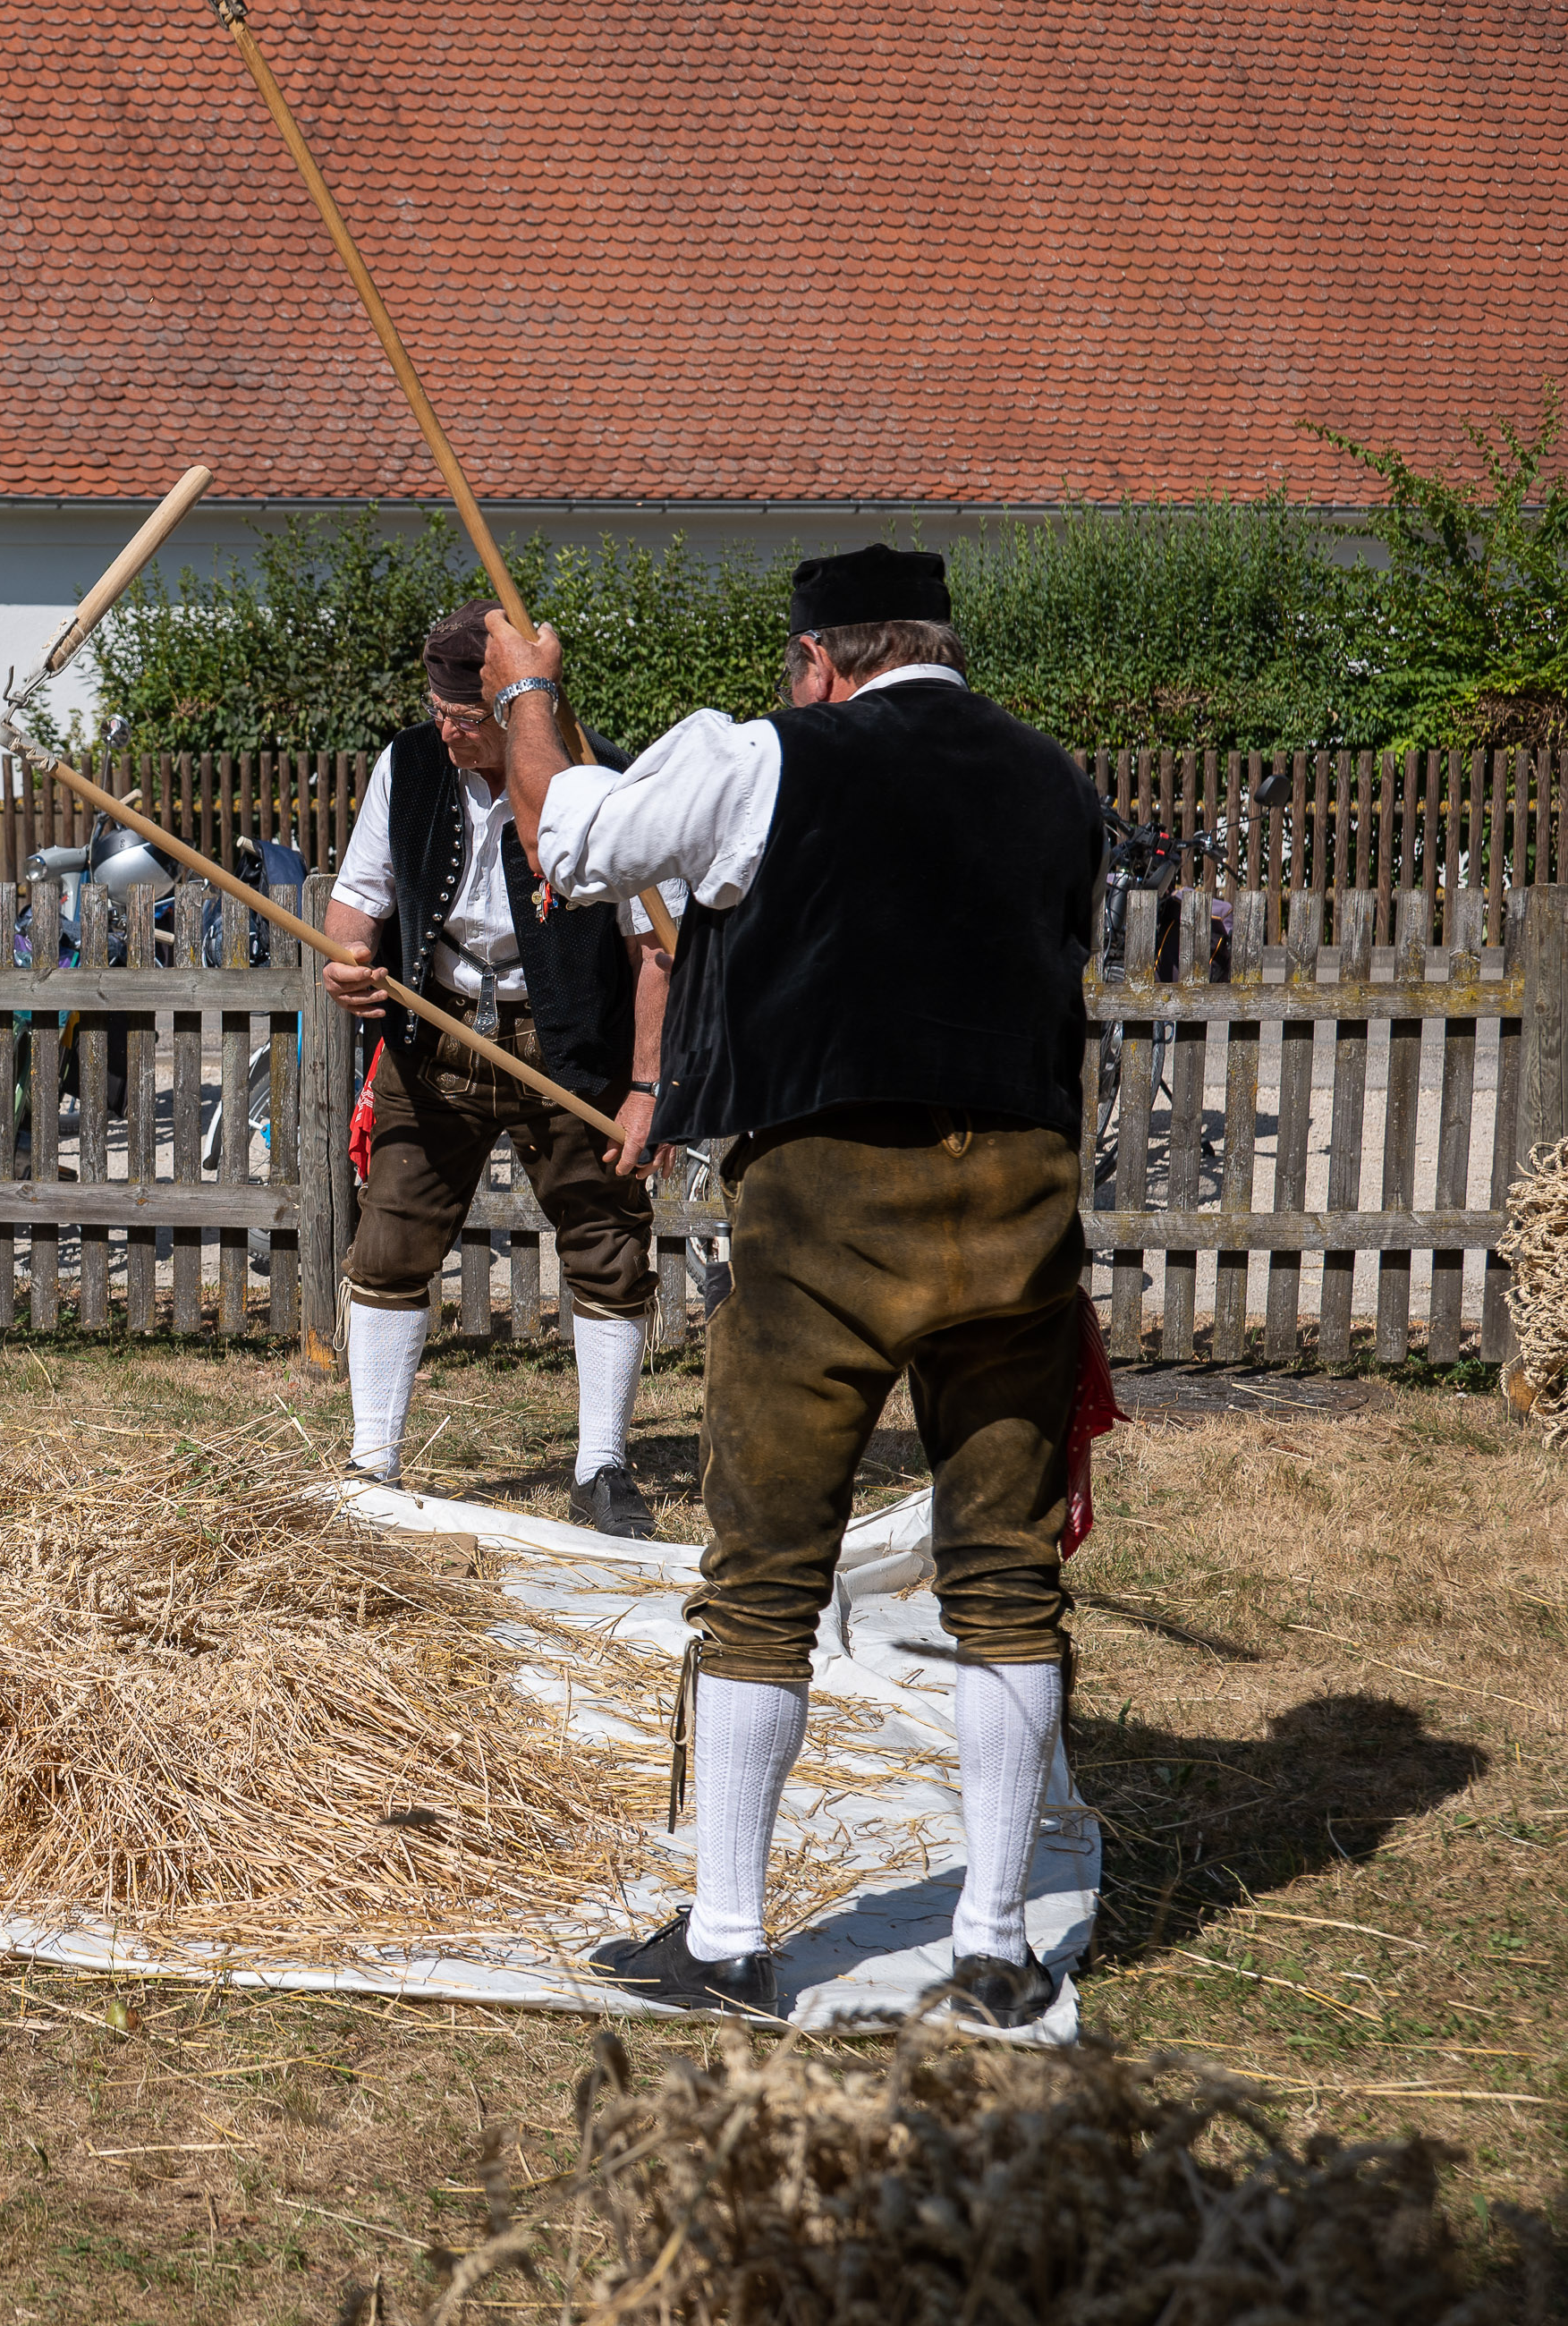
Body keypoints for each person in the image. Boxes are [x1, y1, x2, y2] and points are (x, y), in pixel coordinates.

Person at [485, 547, 1100, 2030]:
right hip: (1022, 1197)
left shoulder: (765, 758)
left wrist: (528, 692)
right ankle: (999, 1945)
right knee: (1007, 1584)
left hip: (829, 1197)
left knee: (762, 1579)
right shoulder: (1059, 785)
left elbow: (565, 839)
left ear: (824, 660)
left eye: (793, 668)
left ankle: (731, 1940)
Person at [323, 600, 685, 1537]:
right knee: (390, 1241)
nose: (448, 728)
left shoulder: (604, 780)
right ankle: (371, 1467)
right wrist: (348, 962)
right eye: (439, 708)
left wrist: (647, 1086)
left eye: (468, 715)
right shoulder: (406, 764)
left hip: (570, 1039)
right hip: (434, 1028)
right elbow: (359, 898)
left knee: (607, 1244)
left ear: (521, 703)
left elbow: (658, 949)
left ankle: (602, 1467)